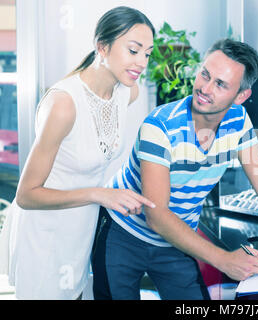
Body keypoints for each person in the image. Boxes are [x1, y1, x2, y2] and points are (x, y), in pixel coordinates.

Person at [92, 38, 258, 300]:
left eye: (220, 84)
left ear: (241, 97)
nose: (205, 88)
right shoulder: (160, 126)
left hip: (175, 240)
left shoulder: (238, 121)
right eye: (205, 75)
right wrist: (224, 260)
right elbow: (156, 215)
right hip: (123, 233)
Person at [0, 6, 156, 300]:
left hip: (80, 233)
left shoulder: (127, 92)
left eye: (147, 53)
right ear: (102, 46)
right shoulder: (64, 104)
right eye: (133, 50)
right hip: (44, 236)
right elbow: (26, 195)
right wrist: (99, 194)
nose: (142, 62)